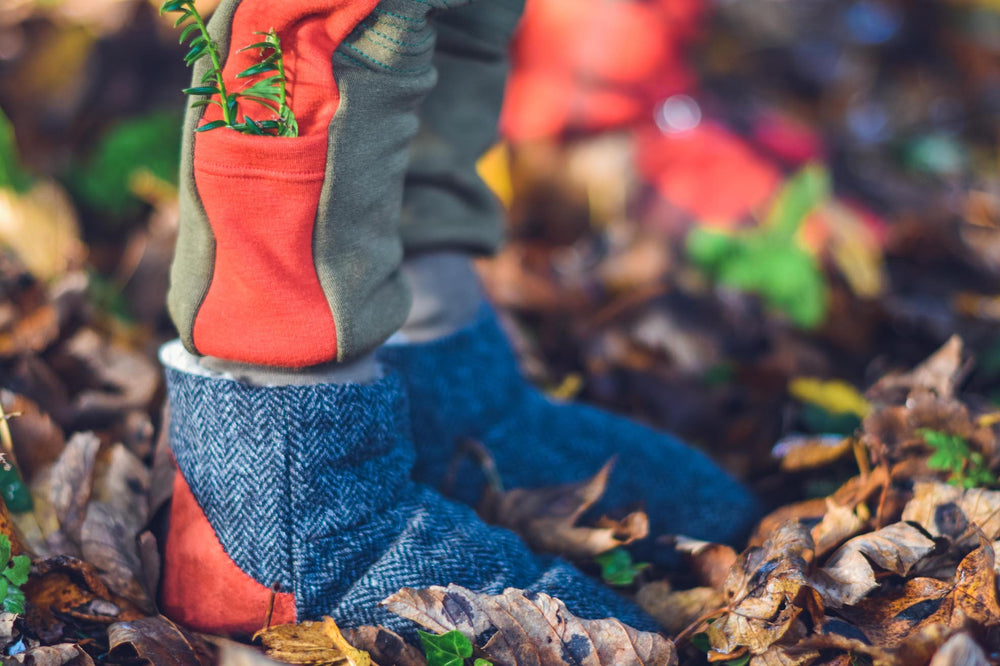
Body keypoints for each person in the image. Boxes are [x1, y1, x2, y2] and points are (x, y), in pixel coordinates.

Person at [159, 0, 759, 637]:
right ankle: (284, 512)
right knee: (323, 24)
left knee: (441, 22)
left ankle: (437, 385)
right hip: (293, 488)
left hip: (439, 372)